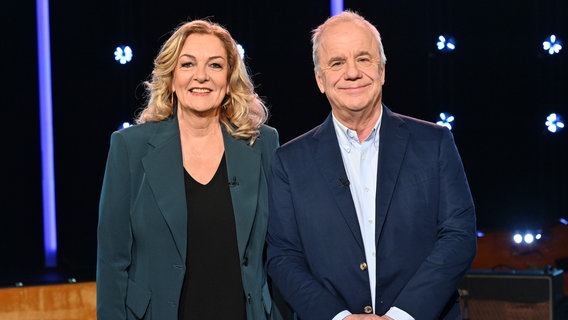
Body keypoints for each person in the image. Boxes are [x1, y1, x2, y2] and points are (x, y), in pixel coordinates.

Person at [266, 10, 477, 320]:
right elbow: (283, 256)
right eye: (337, 63)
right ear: (320, 80)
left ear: (381, 71)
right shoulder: (289, 161)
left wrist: (401, 316)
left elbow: (458, 236)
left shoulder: (435, 144)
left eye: (363, 59)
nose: (352, 73)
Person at [97, 19, 289, 320]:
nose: (201, 76)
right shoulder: (129, 148)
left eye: (215, 65)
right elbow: (112, 261)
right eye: (188, 64)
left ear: (228, 80)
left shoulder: (262, 142)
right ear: (171, 78)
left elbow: (279, 250)